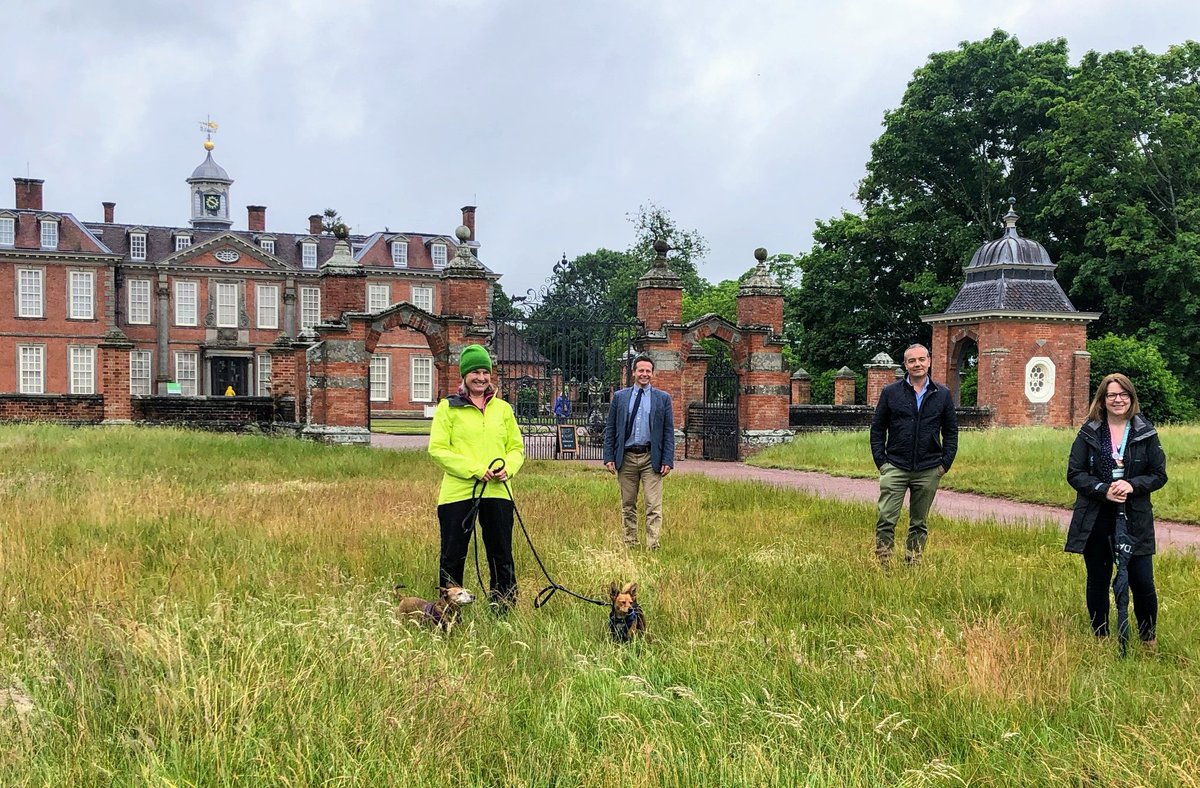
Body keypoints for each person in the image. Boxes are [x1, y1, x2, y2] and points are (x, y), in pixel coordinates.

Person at [1065, 373, 1167, 647]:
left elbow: (1159, 474)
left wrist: (1132, 485)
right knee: (1098, 579)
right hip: (1096, 515)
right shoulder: (1089, 432)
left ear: (1131, 398)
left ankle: (1148, 640)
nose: (1118, 400)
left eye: (1123, 394)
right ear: (1102, 400)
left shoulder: (1146, 432)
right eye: (1111, 395)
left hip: (1135, 516)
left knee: (1142, 580)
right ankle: (1101, 638)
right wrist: (1103, 489)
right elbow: (1074, 473)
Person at [428, 344, 525, 609]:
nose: (481, 378)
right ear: (464, 375)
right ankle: (447, 612)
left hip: (498, 491)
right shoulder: (448, 408)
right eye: (475, 372)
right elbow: (438, 450)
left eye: (485, 372)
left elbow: (516, 448)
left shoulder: (503, 409)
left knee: (501, 552)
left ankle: (503, 606)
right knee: (453, 555)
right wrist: (474, 469)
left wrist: (508, 467)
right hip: (458, 493)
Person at [869, 343, 958, 566]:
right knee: (886, 519)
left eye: (921, 359)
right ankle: (883, 565)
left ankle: (913, 564)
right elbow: (878, 429)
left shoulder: (942, 394)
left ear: (929, 361)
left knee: (919, 523)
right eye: (912, 361)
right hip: (895, 466)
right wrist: (882, 463)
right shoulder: (891, 392)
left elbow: (951, 432)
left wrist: (944, 465)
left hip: (929, 469)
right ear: (906, 365)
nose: (917, 364)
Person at [603, 355, 675, 548]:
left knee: (653, 505)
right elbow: (611, 429)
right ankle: (630, 542)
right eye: (641, 370)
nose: (644, 374)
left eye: (648, 371)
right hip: (626, 457)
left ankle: (653, 544)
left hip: (651, 457)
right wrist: (608, 456)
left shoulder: (663, 398)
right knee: (628, 504)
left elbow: (668, 431)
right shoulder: (620, 397)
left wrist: (667, 460)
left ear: (652, 373)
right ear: (633, 372)